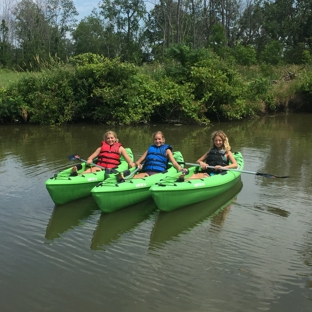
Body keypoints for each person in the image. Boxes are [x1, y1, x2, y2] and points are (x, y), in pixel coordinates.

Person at [70, 130, 135, 176]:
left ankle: (78, 175)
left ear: (115, 139)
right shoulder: (100, 148)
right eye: (108, 138)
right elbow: (91, 157)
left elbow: (129, 161)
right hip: (100, 167)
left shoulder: (120, 148)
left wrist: (132, 164)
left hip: (112, 168)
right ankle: (77, 175)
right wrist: (89, 160)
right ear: (105, 140)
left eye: (112, 138)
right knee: (91, 170)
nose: (110, 140)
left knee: (96, 171)